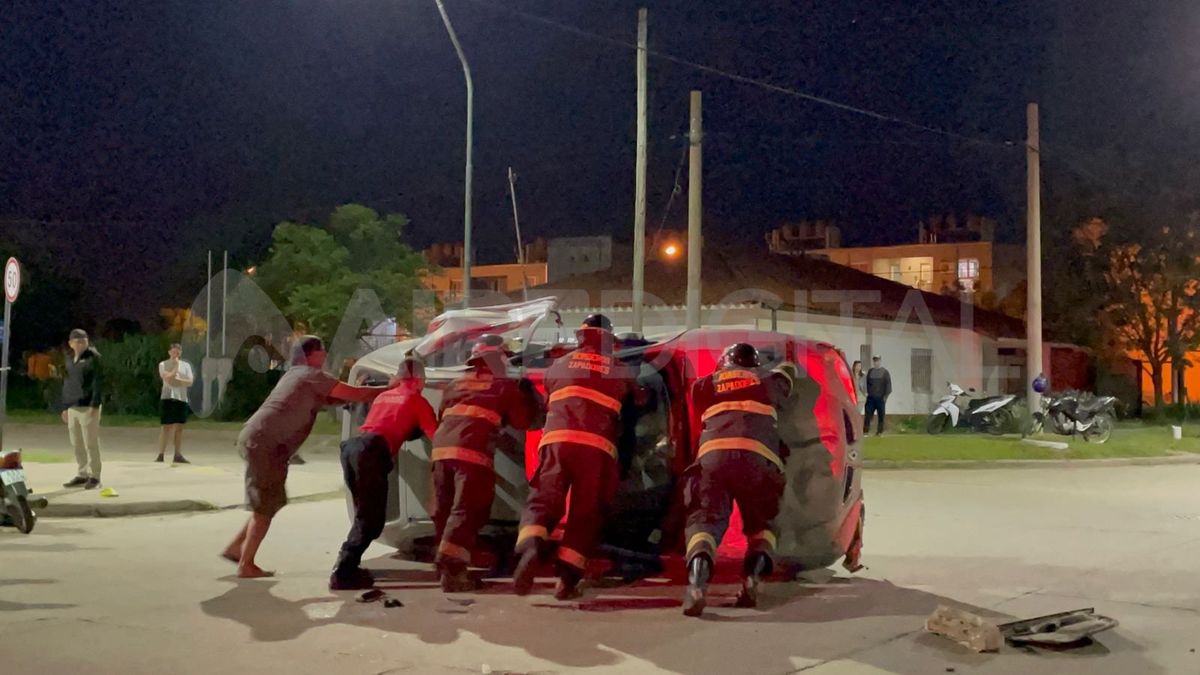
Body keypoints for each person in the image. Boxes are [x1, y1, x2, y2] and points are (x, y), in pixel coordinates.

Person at [222, 336, 384, 578]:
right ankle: (246, 564)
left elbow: (337, 398)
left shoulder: (296, 375)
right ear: (312, 354)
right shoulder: (311, 374)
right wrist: (391, 388)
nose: (325, 355)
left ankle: (237, 548)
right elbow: (356, 395)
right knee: (266, 505)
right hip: (267, 443)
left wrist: (362, 390)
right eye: (322, 350)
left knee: (270, 501)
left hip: (260, 440)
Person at [512, 313, 638, 600]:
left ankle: (532, 545)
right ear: (608, 339)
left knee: (543, 499)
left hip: (556, 442)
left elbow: (548, 399)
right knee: (585, 514)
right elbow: (638, 402)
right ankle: (567, 581)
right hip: (597, 449)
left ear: (580, 337)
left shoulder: (558, 365)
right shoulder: (619, 369)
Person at [680, 343, 795, 617]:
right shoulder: (770, 380)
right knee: (762, 526)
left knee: (703, 523)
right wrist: (784, 358)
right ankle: (751, 582)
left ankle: (697, 586)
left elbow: (693, 407)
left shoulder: (705, 385)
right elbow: (788, 377)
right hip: (759, 460)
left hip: (713, 459)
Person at [429, 334, 544, 592]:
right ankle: (452, 571)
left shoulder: (455, 383)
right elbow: (523, 422)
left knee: (443, 510)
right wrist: (528, 393)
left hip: (440, 452)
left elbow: (443, 415)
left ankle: (442, 564)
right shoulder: (504, 385)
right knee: (467, 511)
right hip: (472, 453)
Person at [330, 357, 438, 590]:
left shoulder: (383, 396)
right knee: (371, 520)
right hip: (371, 452)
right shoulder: (418, 401)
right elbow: (436, 437)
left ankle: (348, 564)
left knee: (363, 514)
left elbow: (388, 422)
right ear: (419, 380)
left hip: (351, 449)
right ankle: (343, 573)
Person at [61, 329, 103, 489]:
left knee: (90, 442)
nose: (80, 344)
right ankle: (82, 473)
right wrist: (65, 406)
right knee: (76, 442)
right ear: (70, 343)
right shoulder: (69, 358)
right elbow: (67, 382)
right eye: (77, 341)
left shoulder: (93, 358)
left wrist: (94, 404)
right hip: (72, 406)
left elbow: (97, 383)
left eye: (83, 341)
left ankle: (95, 476)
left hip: (87, 406)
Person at [156, 343, 194, 464]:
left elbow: (190, 381)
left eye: (178, 352)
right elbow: (165, 378)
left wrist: (178, 379)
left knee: (179, 427)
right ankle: (161, 454)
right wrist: (175, 369)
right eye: (173, 351)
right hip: (167, 397)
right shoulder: (163, 364)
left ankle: (177, 454)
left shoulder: (186, 365)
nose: (175, 354)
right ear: (169, 352)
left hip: (181, 398)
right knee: (165, 426)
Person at [863, 355, 892, 436]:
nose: (876, 362)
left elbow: (888, 386)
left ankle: (879, 432)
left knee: (881, 416)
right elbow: (867, 384)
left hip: (881, 398)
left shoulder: (885, 372)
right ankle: (865, 431)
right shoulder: (870, 371)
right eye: (875, 361)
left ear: (880, 361)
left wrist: (885, 397)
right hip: (871, 398)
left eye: (878, 360)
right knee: (868, 415)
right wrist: (867, 393)